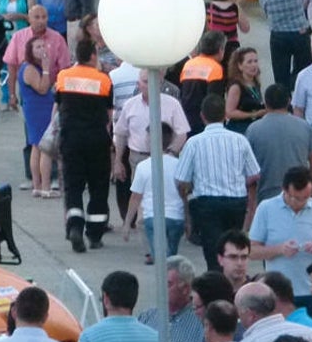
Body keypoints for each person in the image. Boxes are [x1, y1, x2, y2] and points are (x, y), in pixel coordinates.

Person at [175, 94, 261, 270]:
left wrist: (186, 198)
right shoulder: (239, 140)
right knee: (233, 248)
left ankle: (216, 282)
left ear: (202, 116)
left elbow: (181, 179)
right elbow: (254, 174)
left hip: (207, 203)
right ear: (224, 116)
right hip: (236, 201)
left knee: (213, 250)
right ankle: (232, 281)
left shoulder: (194, 142)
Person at [55, 39, 113, 252]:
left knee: (73, 187)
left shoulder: (63, 77)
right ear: (92, 56)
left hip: (71, 139)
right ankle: (95, 235)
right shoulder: (104, 80)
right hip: (97, 139)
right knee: (98, 187)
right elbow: (109, 115)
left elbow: (59, 105)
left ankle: (75, 228)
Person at [249, 166, 312, 307]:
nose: (300, 203)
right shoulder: (266, 208)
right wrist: (280, 249)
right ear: (284, 189)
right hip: (278, 293)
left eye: (306, 198)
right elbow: (252, 251)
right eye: (295, 198)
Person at [113, 68, 190, 202]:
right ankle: (138, 223)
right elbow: (121, 133)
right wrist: (118, 160)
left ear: (160, 83)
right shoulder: (130, 105)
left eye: (154, 82)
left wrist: (171, 152)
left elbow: (182, 132)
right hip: (138, 158)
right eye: (145, 82)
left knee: (165, 199)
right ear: (138, 84)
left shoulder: (172, 104)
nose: (149, 85)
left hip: (165, 157)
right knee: (140, 199)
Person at [247, 84, 312, 201]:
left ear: (265, 103)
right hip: (299, 192)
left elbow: (248, 168)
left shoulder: (253, 129)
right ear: (289, 101)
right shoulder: (304, 126)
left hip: (266, 195)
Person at [123, 123, 184, 262]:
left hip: (153, 217)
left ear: (151, 139)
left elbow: (135, 198)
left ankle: (165, 280)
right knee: (172, 256)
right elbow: (184, 193)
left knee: (160, 259)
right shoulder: (178, 164)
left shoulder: (143, 167)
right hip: (176, 217)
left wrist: (127, 223)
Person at [137, 256, 204, 342]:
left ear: (186, 288)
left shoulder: (201, 323)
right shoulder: (146, 317)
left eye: (168, 284)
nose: (161, 289)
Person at [257, 0, 312, 91]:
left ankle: (284, 99)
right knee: (304, 70)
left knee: (280, 73)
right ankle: (299, 92)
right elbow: (303, 2)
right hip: (299, 31)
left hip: (278, 34)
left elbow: (266, 10)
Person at [19, 37, 57, 198]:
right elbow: (42, 88)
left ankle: (37, 185)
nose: (42, 49)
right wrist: (47, 69)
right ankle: (45, 186)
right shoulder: (29, 68)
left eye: (43, 46)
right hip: (38, 110)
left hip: (40, 108)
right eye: (38, 47)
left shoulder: (34, 66)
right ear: (31, 51)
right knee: (43, 147)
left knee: (36, 146)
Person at [179, 31, 228, 134]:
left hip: (186, 117)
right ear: (220, 50)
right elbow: (214, 99)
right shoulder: (216, 68)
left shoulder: (188, 64)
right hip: (205, 121)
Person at [207, 0, 250, 69]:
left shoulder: (207, 8)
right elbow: (245, 28)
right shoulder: (234, 8)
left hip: (212, 46)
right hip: (231, 46)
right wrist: (239, 7)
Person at [225, 47, 266, 134]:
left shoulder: (255, 82)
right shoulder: (236, 86)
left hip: (255, 127)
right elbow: (229, 112)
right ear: (240, 66)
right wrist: (254, 114)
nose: (254, 65)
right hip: (240, 129)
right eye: (249, 62)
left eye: (256, 61)